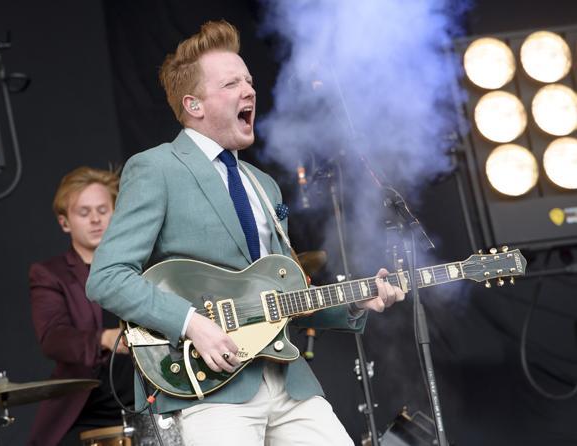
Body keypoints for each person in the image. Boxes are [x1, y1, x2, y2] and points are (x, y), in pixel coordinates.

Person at [86, 20, 405, 446]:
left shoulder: (262, 184)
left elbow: (284, 293)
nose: (249, 90)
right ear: (194, 105)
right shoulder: (157, 167)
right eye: (232, 83)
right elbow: (107, 277)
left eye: (249, 80)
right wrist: (191, 323)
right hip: (211, 388)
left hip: (288, 380)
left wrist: (354, 303)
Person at [27, 166, 135, 445]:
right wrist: (104, 338)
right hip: (90, 409)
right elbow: (53, 338)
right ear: (65, 222)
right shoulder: (50, 274)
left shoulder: (139, 266)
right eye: (84, 213)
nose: (96, 220)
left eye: (103, 210)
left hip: (147, 400)